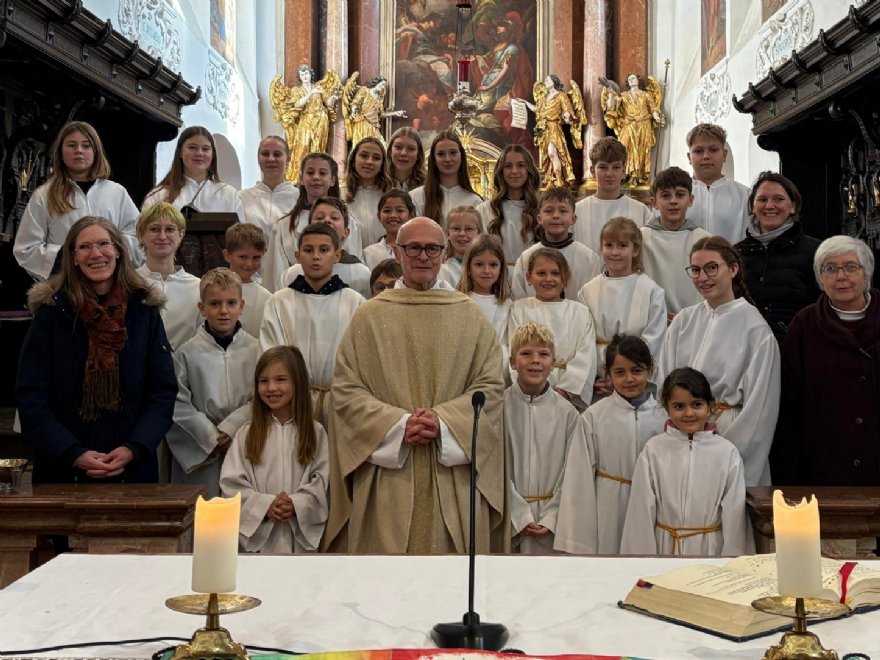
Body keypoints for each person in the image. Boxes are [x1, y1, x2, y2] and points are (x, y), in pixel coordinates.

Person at [323, 216, 507, 554]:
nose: (423, 256)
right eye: (414, 248)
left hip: (452, 474)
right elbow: (347, 390)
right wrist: (397, 425)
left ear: (444, 252)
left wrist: (445, 422)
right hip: (389, 475)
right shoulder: (370, 316)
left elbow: (491, 386)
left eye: (432, 249)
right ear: (397, 251)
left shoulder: (468, 314)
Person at [16, 216, 177, 484]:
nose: (96, 254)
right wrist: (72, 453)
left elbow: (162, 391)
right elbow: (32, 395)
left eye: (104, 244)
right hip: (64, 471)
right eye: (85, 247)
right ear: (74, 257)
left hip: (131, 470)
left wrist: (134, 448)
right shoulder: (51, 315)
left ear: (117, 250)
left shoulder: (144, 312)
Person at [657, 236, 780, 486]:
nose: (703, 277)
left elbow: (760, 409)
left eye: (712, 267)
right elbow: (664, 383)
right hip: (681, 433)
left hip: (729, 438)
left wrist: (721, 451)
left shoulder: (755, 329)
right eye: (696, 270)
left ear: (733, 269)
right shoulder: (684, 321)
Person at [772, 236, 880, 488]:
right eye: (830, 268)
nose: (841, 276)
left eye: (851, 267)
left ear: (867, 273)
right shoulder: (804, 325)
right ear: (820, 279)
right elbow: (790, 404)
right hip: (824, 463)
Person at [620, 367, 753, 556]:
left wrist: (732, 563)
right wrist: (642, 563)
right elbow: (640, 511)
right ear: (667, 408)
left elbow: (735, 516)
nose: (689, 413)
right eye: (679, 406)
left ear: (710, 406)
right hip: (664, 550)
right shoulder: (654, 450)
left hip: (710, 552)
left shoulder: (726, 453)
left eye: (696, 404)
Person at [220, 345, 329, 553]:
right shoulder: (247, 433)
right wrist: (265, 506)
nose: (271, 388)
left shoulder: (316, 433)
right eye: (263, 381)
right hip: (260, 541)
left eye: (280, 379)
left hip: (300, 540)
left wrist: (296, 505)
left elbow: (322, 483)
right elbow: (231, 485)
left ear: (297, 382)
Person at [563, 335, 665, 554]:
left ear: (650, 370)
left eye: (637, 370)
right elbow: (578, 476)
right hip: (608, 506)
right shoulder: (594, 416)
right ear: (608, 373)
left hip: (654, 506)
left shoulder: (663, 417)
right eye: (620, 372)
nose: (629, 379)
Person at [260, 223, 365, 425]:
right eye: (309, 250)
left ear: (337, 255)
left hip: (341, 404)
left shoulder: (355, 302)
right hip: (294, 402)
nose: (316, 256)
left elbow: (362, 359)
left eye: (324, 250)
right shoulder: (279, 302)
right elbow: (271, 355)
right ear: (298, 256)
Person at [168, 268, 259, 497]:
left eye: (231, 303)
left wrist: (233, 426)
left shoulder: (257, 349)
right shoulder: (186, 353)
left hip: (243, 441)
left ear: (241, 306)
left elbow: (262, 397)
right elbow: (177, 403)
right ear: (202, 308)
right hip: (202, 448)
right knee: (202, 514)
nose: (223, 311)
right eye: (215, 304)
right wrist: (210, 436)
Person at [14, 121, 141, 281]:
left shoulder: (116, 193)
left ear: (96, 152)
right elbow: (26, 249)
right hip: (65, 285)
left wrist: (107, 251)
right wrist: (68, 257)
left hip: (112, 285)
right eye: (72, 145)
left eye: (86, 146)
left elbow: (139, 237)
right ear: (61, 152)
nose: (79, 151)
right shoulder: (44, 195)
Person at [506, 322, 592, 554]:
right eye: (526, 354)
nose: (536, 360)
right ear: (513, 362)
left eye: (543, 354)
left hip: (554, 524)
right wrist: (519, 515)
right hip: (509, 522)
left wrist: (552, 517)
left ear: (553, 363)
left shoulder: (568, 414)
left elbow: (573, 472)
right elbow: (492, 469)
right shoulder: (499, 409)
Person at [578, 217, 667, 401]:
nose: (615, 252)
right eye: (609, 245)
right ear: (601, 248)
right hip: (599, 383)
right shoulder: (587, 291)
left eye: (622, 245)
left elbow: (654, 341)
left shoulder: (652, 291)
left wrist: (621, 377)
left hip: (634, 381)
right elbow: (583, 341)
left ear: (635, 250)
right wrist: (599, 377)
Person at [736, 171, 821, 343]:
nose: (769, 206)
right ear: (752, 206)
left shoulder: (817, 252)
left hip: (795, 349)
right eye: (762, 199)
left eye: (778, 199)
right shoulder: (734, 254)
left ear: (793, 206)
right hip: (743, 347)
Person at [509, 249, 596, 410]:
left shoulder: (580, 313)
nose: (549, 279)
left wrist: (565, 391)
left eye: (556, 273)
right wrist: (529, 389)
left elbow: (586, 356)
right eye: (541, 273)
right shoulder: (519, 310)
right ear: (529, 277)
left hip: (567, 397)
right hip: (528, 394)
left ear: (566, 278)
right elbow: (513, 351)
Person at [264, 153, 360, 288]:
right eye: (310, 172)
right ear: (302, 179)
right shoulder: (285, 225)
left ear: (332, 180)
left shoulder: (347, 222)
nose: (316, 177)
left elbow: (352, 266)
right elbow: (276, 273)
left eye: (322, 173)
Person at [640, 167, 711, 319]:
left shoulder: (705, 241)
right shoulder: (640, 239)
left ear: (690, 200)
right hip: (652, 321)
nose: (673, 201)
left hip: (695, 321)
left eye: (680, 195)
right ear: (654, 202)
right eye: (665, 195)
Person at [512, 187, 602, 300]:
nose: (556, 216)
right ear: (539, 219)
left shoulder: (589, 258)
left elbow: (594, 299)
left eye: (563, 211)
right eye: (549, 211)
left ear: (573, 219)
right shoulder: (526, 258)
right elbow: (519, 300)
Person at [135, 203, 201, 350]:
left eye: (170, 229)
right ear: (140, 235)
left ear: (181, 234)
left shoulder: (198, 287)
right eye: (154, 229)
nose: (162, 236)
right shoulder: (129, 282)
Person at [142, 126, 245, 221]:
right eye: (192, 147)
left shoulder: (229, 194)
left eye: (205, 149)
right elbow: (143, 234)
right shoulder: (159, 195)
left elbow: (240, 237)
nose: (199, 153)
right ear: (180, 152)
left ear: (212, 155)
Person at [277, 197, 371, 298]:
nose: (327, 221)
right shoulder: (291, 275)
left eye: (334, 218)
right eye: (319, 218)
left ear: (346, 232)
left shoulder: (361, 274)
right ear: (309, 226)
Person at [574, 137, 651, 253]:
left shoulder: (641, 211)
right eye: (603, 167)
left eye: (616, 167)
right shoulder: (578, 211)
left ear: (624, 171)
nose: (609, 174)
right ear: (593, 171)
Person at [457, 234, 513, 383]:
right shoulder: (458, 301)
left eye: (493, 265)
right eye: (479, 264)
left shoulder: (507, 305)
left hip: (499, 371)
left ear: (501, 269)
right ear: (468, 267)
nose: (486, 271)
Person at [272, 64, 340, 183]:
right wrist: (311, 94)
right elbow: (298, 104)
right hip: (306, 120)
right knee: (302, 146)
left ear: (310, 74)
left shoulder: (318, 86)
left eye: (307, 73)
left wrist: (333, 97)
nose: (305, 76)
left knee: (317, 148)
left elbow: (328, 103)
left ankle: (316, 175)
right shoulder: (296, 90)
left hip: (320, 120)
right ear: (299, 77)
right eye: (302, 74)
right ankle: (297, 177)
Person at [476, 145, 541, 268]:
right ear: (501, 171)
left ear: (529, 170)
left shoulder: (541, 210)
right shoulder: (485, 210)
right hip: (496, 277)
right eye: (508, 166)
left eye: (521, 165)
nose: (514, 171)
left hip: (533, 278)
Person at [684, 123, 749, 244]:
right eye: (698, 151)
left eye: (713, 150)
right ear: (689, 157)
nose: (706, 156)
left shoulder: (744, 195)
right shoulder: (677, 195)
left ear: (724, 155)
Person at [600, 73, 663, 186]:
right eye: (629, 79)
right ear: (627, 83)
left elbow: (653, 108)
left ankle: (639, 176)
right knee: (624, 148)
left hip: (644, 124)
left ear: (638, 81)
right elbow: (611, 107)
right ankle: (626, 175)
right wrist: (610, 93)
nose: (632, 80)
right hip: (628, 125)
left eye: (634, 78)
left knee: (642, 150)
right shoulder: (623, 95)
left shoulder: (646, 95)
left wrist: (657, 117)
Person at [410, 131, 482, 226]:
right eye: (441, 154)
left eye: (453, 153)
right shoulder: (416, 197)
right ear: (434, 160)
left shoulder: (475, 202)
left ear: (461, 156)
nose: (447, 159)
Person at [238, 136, 299, 241]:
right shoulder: (241, 198)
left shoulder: (301, 198)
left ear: (288, 159)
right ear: (258, 159)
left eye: (277, 154)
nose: (271, 159)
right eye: (265, 154)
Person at [222, 223, 271, 337]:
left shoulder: (266, 298)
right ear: (227, 255)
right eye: (243, 257)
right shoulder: (211, 289)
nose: (249, 264)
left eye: (256, 257)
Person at [345, 137, 390, 246]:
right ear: (353, 159)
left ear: (382, 164)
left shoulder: (389, 195)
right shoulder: (339, 193)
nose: (369, 162)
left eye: (376, 158)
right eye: (364, 156)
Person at [363, 189, 413, 271]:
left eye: (400, 210)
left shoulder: (418, 250)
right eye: (387, 211)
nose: (393, 215)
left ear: (410, 215)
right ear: (379, 216)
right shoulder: (369, 253)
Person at [439, 206, 482, 287]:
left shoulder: (487, 268)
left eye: (469, 229)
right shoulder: (443, 270)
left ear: (479, 233)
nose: (462, 233)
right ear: (448, 233)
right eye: (456, 228)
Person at [385, 126, 425, 191]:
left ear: (418, 154)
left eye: (411, 149)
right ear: (390, 151)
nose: (403, 153)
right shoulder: (379, 183)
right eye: (398, 147)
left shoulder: (428, 186)